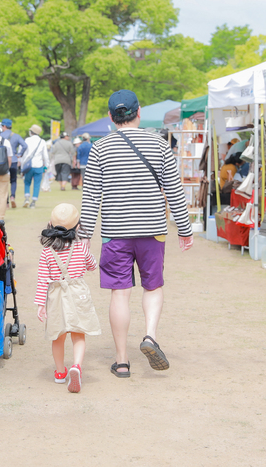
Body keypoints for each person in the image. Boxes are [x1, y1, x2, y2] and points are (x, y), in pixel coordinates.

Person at [79, 89, 193, 379]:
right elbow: (175, 191)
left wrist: (83, 238)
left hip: (115, 233)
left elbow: (91, 197)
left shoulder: (100, 148)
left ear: (110, 117)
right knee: (152, 286)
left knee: (120, 292)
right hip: (152, 230)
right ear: (138, 112)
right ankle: (150, 336)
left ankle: (121, 361)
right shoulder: (159, 144)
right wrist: (184, 229)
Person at [35, 203, 100, 394]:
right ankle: (77, 366)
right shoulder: (80, 247)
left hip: (56, 296)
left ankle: (60, 371)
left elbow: (42, 280)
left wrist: (40, 305)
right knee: (79, 333)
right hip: (78, 292)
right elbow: (93, 265)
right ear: (78, 227)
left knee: (58, 336)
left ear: (50, 225)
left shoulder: (46, 251)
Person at [0, 119, 27, 209]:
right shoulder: (16, 136)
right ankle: (12, 197)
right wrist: (19, 154)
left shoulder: (0, 136)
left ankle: (6, 203)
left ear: (4, 126)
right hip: (14, 160)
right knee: (13, 180)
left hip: (3, 161)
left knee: (3, 182)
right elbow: (25, 145)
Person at [20, 124, 49, 208]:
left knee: (27, 182)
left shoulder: (27, 140)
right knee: (37, 184)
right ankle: (33, 202)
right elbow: (45, 156)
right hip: (39, 165)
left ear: (31, 132)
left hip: (29, 165)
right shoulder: (42, 141)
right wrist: (46, 166)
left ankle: (27, 198)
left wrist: (22, 167)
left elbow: (24, 155)